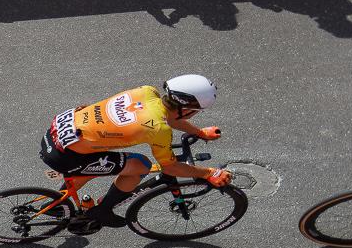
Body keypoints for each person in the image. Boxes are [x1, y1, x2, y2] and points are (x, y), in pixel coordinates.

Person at [39, 75, 230, 230]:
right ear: (187, 110)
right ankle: (103, 211)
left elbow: (169, 116)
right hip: (67, 155)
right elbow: (170, 168)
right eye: (197, 111)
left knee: (93, 164)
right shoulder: (158, 129)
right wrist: (209, 173)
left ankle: (57, 204)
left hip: (57, 136)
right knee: (141, 165)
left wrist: (198, 132)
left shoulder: (147, 91)